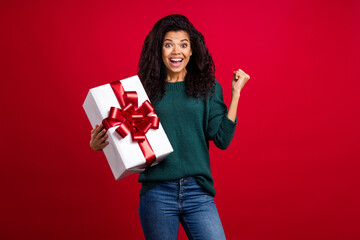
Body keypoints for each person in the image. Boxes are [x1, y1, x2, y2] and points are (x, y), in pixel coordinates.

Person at [90, 14, 250, 240]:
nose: (177, 52)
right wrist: (98, 144)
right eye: (168, 45)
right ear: (159, 50)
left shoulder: (208, 88)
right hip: (157, 193)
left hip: (198, 191)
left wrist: (235, 94)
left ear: (192, 50)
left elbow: (222, 139)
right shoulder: (141, 89)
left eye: (183, 45)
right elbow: (123, 134)